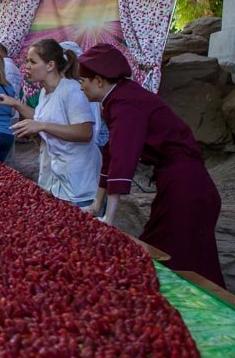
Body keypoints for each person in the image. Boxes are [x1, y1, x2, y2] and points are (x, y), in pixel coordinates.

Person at [78, 43, 225, 287]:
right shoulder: (118, 98)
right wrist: (96, 206)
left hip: (187, 188)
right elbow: (111, 156)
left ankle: (204, 315)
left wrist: (109, 218)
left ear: (99, 80)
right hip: (177, 184)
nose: (81, 87)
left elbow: (122, 159)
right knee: (166, 250)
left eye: (83, 81)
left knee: (183, 260)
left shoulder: (126, 104)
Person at [0, 39, 100, 207]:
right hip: (56, 177)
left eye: (32, 61)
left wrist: (42, 126)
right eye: (27, 61)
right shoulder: (45, 92)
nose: (27, 66)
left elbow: (85, 132)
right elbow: (39, 119)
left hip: (78, 180)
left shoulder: (72, 90)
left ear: (50, 65)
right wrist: (16, 104)